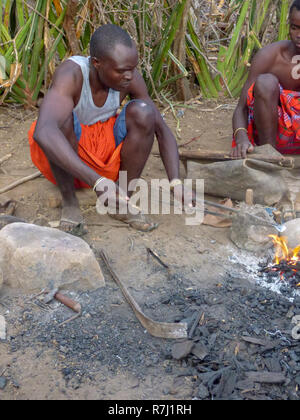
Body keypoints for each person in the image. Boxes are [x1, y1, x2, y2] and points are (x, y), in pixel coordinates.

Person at [28, 24, 192, 235]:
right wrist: (97, 181)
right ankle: (70, 203)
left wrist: (175, 182)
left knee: (144, 113)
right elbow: (44, 131)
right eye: (122, 70)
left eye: (132, 69)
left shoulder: (128, 77)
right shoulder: (71, 75)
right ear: (97, 63)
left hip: (104, 152)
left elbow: (161, 129)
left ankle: (120, 200)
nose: (129, 77)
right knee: (60, 121)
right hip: (70, 156)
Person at [231, 0, 300, 159]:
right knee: (265, 82)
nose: (298, 35)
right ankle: (269, 157)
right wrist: (241, 137)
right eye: (294, 28)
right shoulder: (270, 56)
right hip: (273, 135)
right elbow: (241, 108)